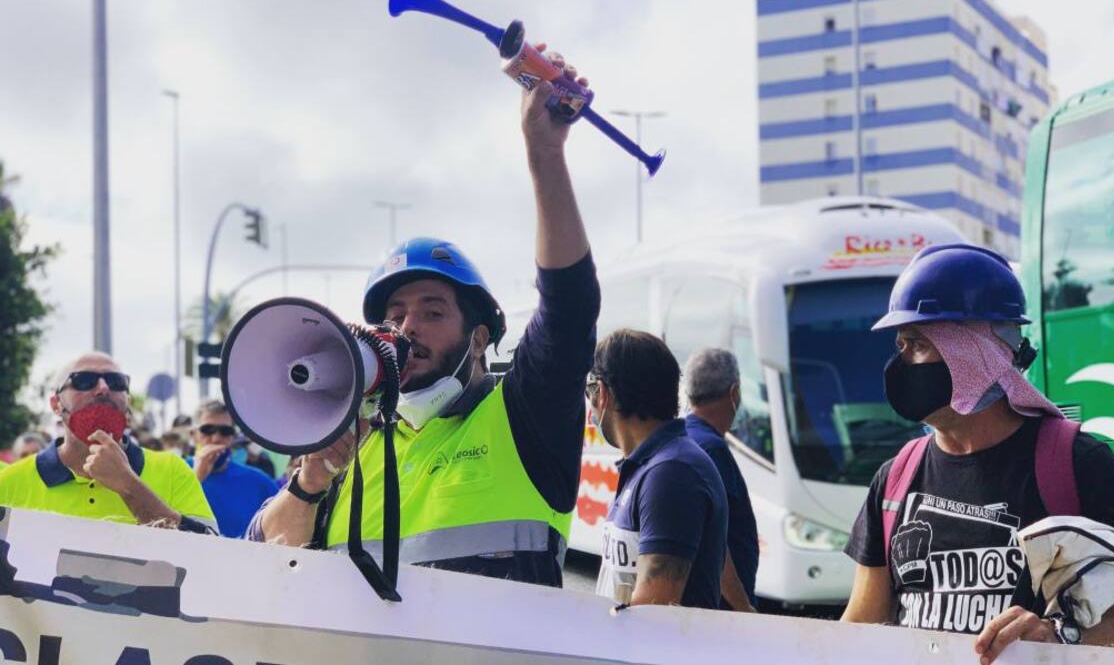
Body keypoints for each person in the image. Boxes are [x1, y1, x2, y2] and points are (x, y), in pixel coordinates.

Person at [250, 47, 601, 588]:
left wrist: (545, 153)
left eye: (432, 311)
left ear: (479, 337)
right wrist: (313, 477)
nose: (406, 327)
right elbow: (260, 564)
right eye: (395, 313)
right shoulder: (356, 444)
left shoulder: (523, 414)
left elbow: (569, 306)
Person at [840, 244, 1114, 662]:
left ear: (973, 353)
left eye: (917, 343)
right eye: (900, 345)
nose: (901, 363)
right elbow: (861, 626)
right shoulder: (895, 478)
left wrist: (1062, 639)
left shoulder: (1078, 463)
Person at [0, 352, 216, 533]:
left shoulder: (172, 470)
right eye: (83, 380)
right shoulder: (9, 482)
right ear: (56, 404)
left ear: (127, 401)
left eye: (116, 382)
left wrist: (128, 485)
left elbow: (210, 555)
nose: (103, 388)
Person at [591, 329, 728, 609]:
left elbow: (653, 613)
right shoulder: (651, 467)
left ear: (602, 393)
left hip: (654, 652)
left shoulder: (672, 472)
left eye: (590, 389)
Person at [682, 348, 759, 612]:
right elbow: (716, 542)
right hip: (719, 610)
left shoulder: (685, 438)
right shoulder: (711, 449)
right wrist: (743, 607)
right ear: (734, 392)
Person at [189, 400, 279, 538]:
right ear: (193, 435)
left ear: (233, 437)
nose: (216, 438)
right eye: (208, 430)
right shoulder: (174, 471)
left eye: (225, 431)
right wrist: (196, 478)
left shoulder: (259, 482)